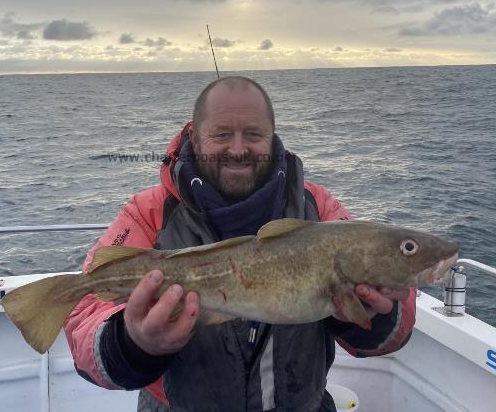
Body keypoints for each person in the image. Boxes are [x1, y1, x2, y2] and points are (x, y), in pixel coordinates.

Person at [64, 76, 416, 412]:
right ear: (195, 138)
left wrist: (363, 316)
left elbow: (393, 328)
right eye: (221, 134)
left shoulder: (318, 210)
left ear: (273, 137)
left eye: (253, 134)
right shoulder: (148, 214)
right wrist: (133, 343)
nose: (237, 149)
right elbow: (84, 313)